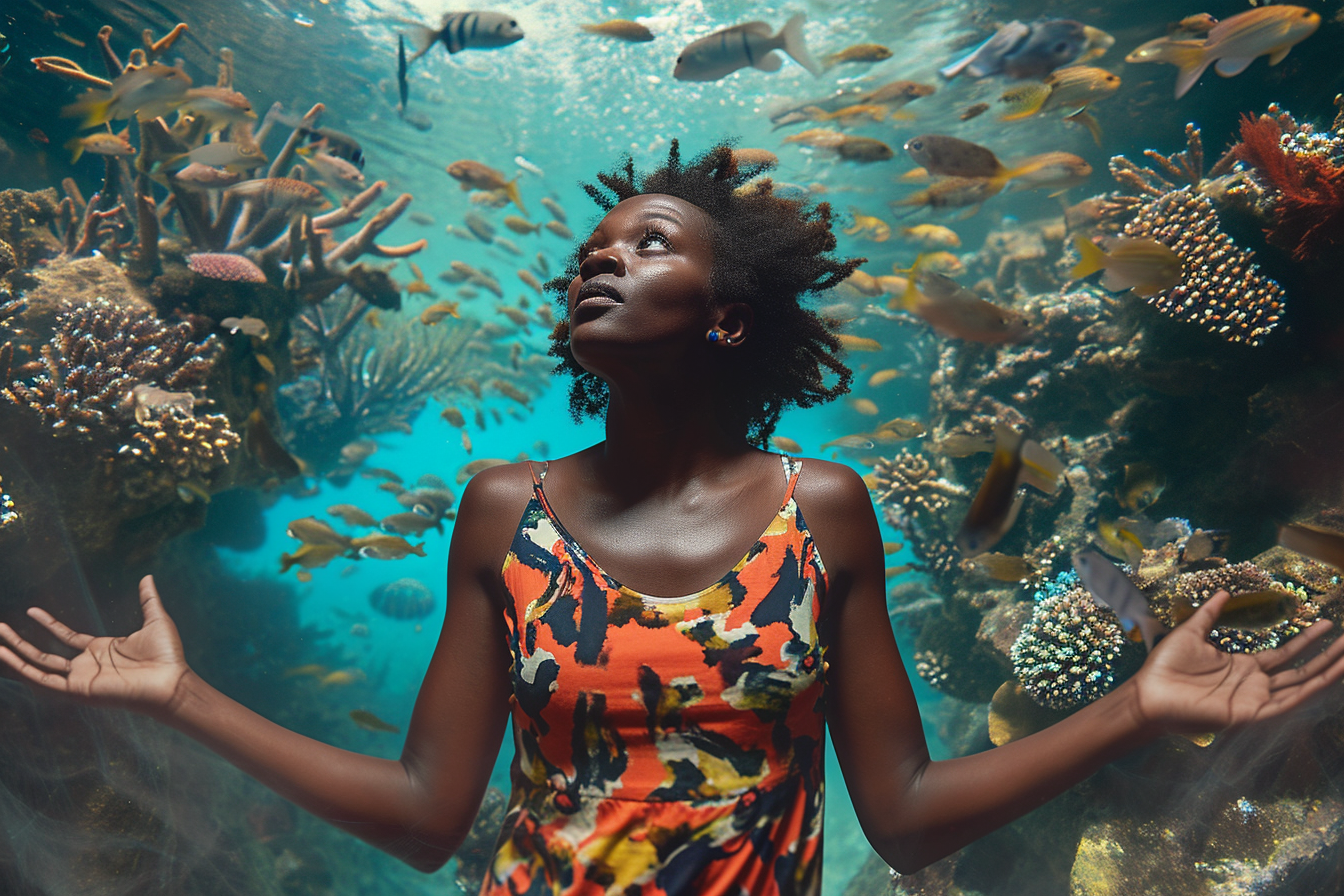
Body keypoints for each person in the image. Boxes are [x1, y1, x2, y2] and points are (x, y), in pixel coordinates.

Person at [2, 142, 1343, 896]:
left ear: (728, 316)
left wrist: (1138, 710)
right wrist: (184, 701)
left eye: (650, 245)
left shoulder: (825, 513)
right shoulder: (497, 514)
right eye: (597, 248)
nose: (603, 256)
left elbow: (911, 819)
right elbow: (425, 817)